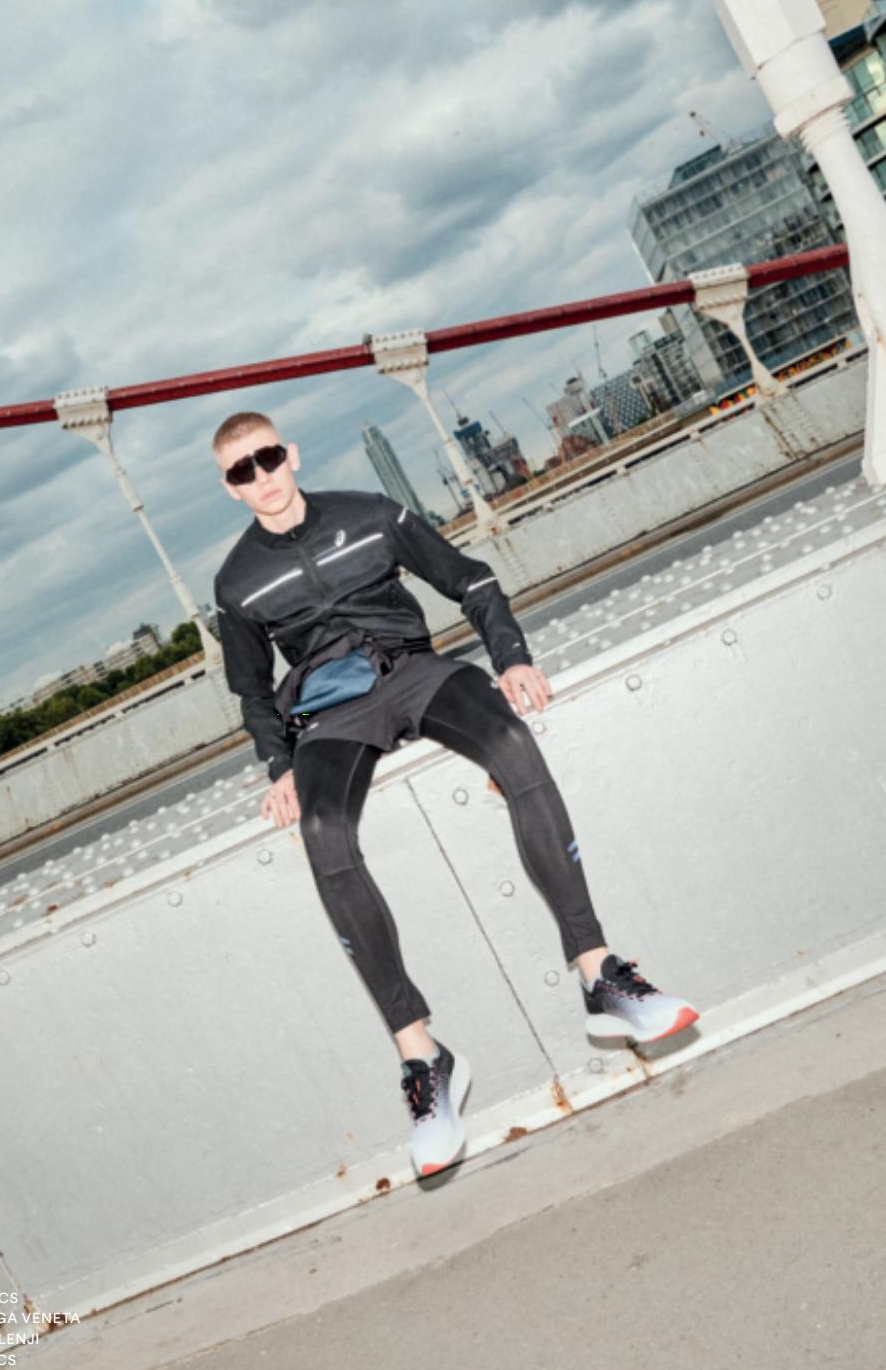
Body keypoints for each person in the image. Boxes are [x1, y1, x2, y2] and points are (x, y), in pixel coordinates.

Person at [211, 409, 699, 1177]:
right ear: (230, 488)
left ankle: (599, 975)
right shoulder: (236, 582)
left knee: (511, 742)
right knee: (323, 834)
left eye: (267, 457)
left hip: (417, 673)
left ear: (290, 454)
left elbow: (469, 578)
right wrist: (279, 767)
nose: (261, 477)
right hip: (331, 713)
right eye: (242, 470)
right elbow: (250, 690)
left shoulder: (370, 514)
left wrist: (510, 656)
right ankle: (422, 1057)